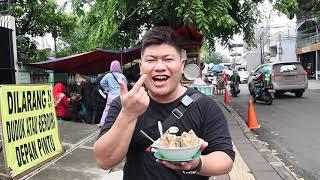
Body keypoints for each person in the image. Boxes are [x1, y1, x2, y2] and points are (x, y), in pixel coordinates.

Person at [94, 26, 234, 180]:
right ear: (141, 67)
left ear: (181, 65)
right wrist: (128, 114)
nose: (159, 67)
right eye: (151, 60)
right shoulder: (124, 104)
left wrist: (196, 163)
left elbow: (225, 158)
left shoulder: (205, 105)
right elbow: (104, 161)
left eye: (168, 59)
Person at [98, 60, 128, 127]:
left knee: (107, 109)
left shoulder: (108, 75)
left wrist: (107, 89)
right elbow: (125, 86)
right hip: (120, 96)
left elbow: (102, 83)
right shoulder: (122, 76)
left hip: (111, 95)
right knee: (121, 110)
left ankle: (102, 123)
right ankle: (119, 124)